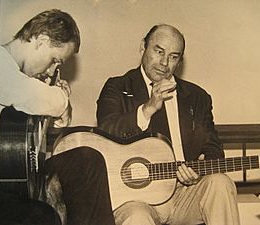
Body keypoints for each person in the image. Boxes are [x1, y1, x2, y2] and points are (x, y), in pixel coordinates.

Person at [96, 24, 240, 225]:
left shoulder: (197, 97)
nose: (164, 63)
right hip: (138, 198)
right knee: (137, 217)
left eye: (173, 56)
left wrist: (199, 168)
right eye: (158, 51)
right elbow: (106, 131)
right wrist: (148, 108)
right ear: (143, 47)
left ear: (180, 61)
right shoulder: (118, 87)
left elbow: (213, 148)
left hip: (185, 192)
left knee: (220, 183)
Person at [0, 9, 115, 225]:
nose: (52, 71)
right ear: (41, 40)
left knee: (87, 161)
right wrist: (60, 97)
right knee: (42, 216)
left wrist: (58, 107)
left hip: (18, 172)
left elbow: (46, 121)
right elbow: (43, 100)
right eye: (54, 60)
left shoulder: (21, 77)